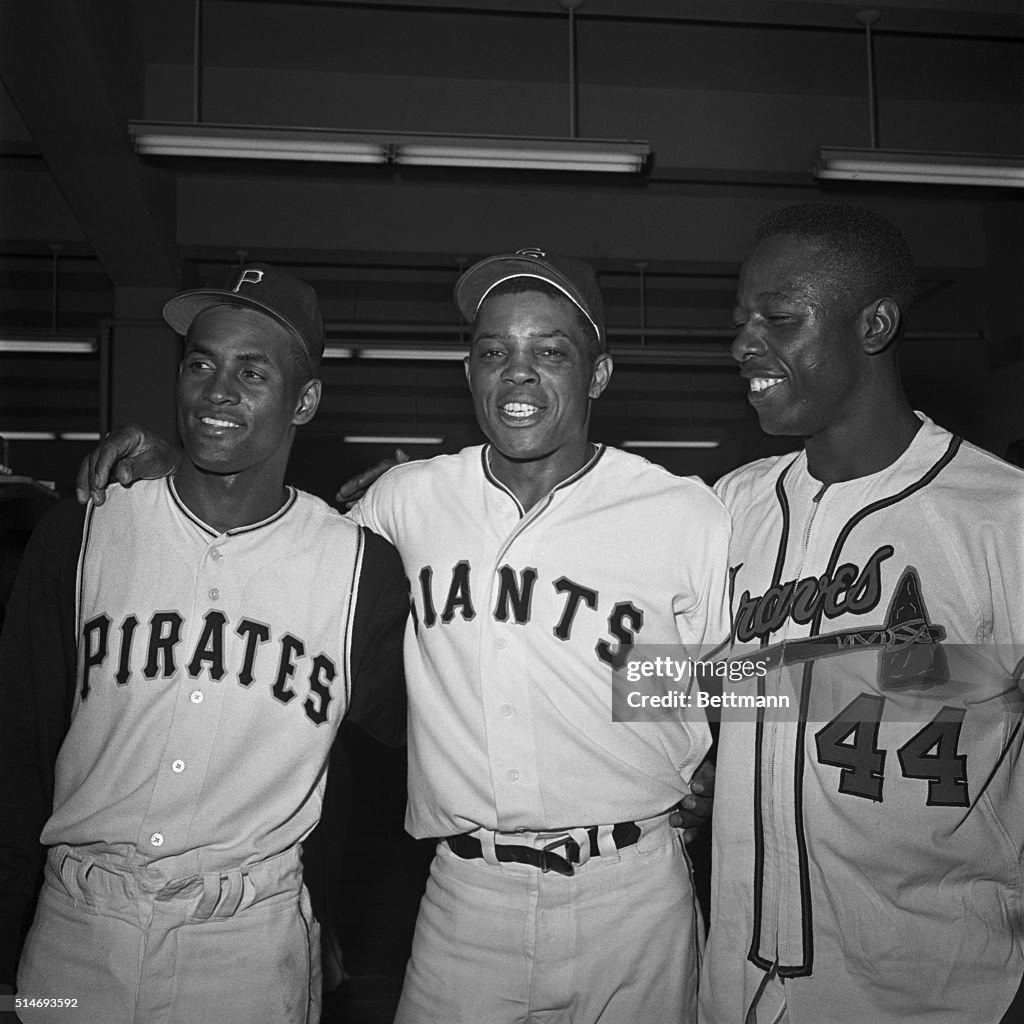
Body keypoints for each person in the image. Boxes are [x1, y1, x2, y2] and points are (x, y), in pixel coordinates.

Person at [69, 248, 732, 1023]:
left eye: (549, 352)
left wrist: (708, 749)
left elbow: (739, 678)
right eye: (493, 353)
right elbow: (278, 553)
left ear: (598, 373)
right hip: (466, 895)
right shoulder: (407, 501)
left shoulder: (683, 512)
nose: (517, 375)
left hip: (634, 893)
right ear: (469, 371)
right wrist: (183, 465)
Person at [0, 264, 408, 1023]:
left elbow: (435, 733)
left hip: (246, 949)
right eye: (201, 363)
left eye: (253, 372)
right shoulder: (84, 530)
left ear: (305, 399)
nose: (218, 391)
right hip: (72, 937)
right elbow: (16, 747)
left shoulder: (360, 567)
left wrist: (667, 718)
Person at [703, 203, 1024, 1024]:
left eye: (779, 317)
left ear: (874, 324)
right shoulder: (728, 508)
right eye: (742, 321)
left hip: (938, 992)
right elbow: (673, 682)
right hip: (738, 985)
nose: (745, 342)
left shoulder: (1003, 517)